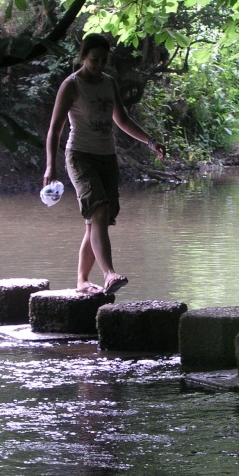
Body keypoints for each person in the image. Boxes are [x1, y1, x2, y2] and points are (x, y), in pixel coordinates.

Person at [43, 33, 165, 294]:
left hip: (107, 156)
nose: (99, 64)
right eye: (94, 59)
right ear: (83, 58)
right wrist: (50, 166)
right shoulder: (72, 85)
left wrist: (150, 141)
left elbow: (121, 119)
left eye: (103, 60)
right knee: (98, 210)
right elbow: (55, 128)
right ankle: (109, 274)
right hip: (80, 155)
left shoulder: (109, 82)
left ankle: (82, 281)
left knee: (97, 220)